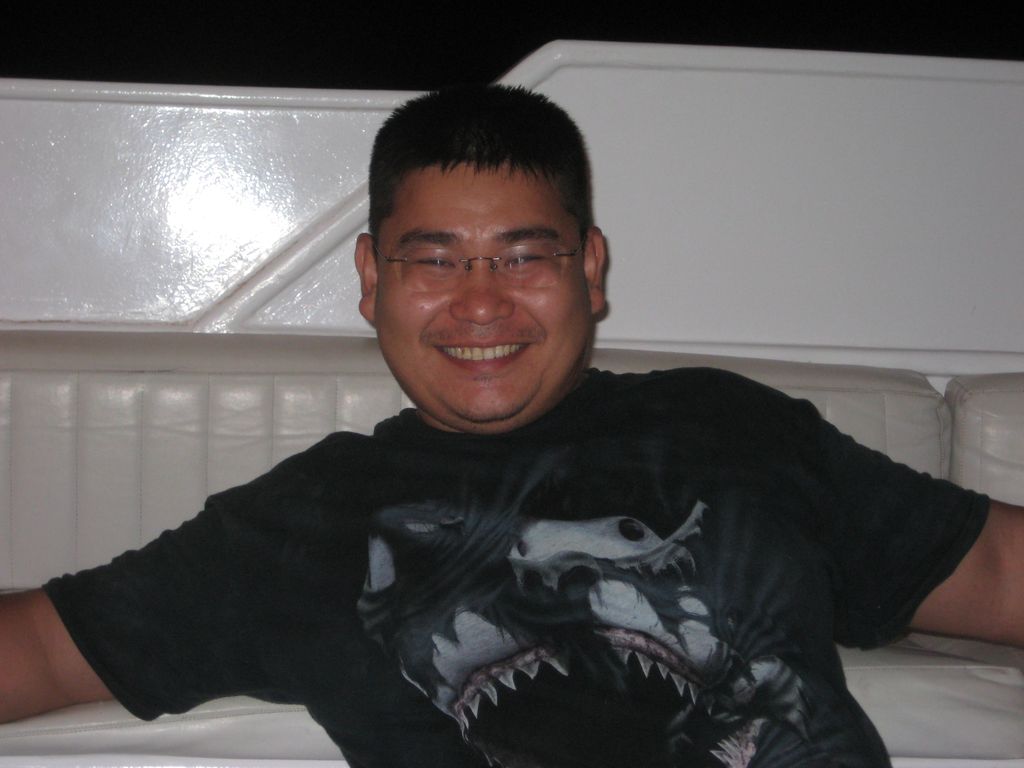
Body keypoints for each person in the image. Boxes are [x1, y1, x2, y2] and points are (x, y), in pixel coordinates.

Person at [1, 84, 1022, 768]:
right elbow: (41, 652)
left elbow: (995, 573)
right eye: (433, 258)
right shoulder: (299, 522)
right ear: (372, 278)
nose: (480, 303)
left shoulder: (731, 428)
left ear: (590, 269)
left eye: (525, 256)